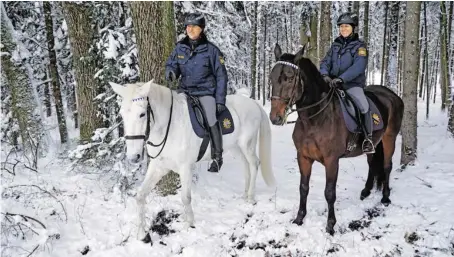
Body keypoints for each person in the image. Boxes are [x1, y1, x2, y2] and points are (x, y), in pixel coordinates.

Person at [165, 13, 228, 172]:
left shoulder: (212, 50)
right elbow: (171, 64)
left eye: (193, 26)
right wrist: (171, 71)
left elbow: (221, 76)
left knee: (211, 117)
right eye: (187, 26)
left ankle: (217, 156)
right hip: (184, 91)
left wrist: (219, 101)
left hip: (205, 92)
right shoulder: (180, 47)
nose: (189, 29)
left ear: (201, 29)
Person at [319, 12, 374, 154]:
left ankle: (368, 138)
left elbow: (359, 66)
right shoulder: (335, 45)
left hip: (352, 84)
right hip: (332, 83)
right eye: (341, 27)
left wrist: (342, 79)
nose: (343, 29)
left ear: (353, 28)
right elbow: (325, 61)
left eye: (346, 27)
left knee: (363, 105)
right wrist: (325, 74)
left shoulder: (360, 47)